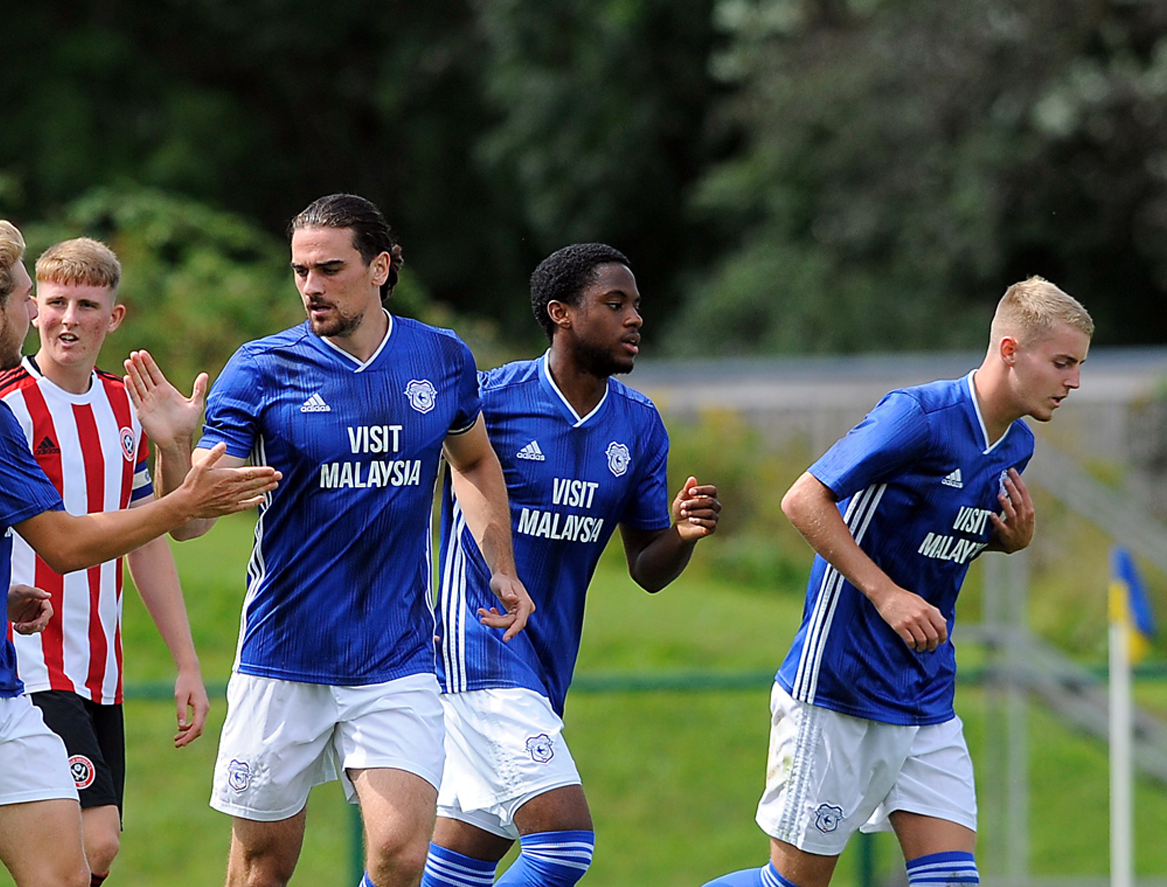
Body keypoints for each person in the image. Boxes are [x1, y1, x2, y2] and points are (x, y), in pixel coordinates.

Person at [0, 220, 279, 887]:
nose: (36, 312)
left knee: (69, 871)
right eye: (27, 298)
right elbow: (64, 545)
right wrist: (180, 503)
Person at [124, 193, 533, 887]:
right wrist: (173, 450)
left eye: (329, 268)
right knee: (262, 869)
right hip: (284, 656)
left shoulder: (439, 358)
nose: (311, 286)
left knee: (400, 856)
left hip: (397, 656)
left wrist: (502, 565)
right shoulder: (259, 369)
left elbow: (472, 460)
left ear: (380, 267)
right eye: (299, 271)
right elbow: (192, 521)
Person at [702, 276, 1092, 887]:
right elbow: (803, 500)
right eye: (1063, 363)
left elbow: (934, 536)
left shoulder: (1015, 446)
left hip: (926, 694)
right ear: (1011, 350)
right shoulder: (918, 416)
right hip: (841, 685)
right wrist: (885, 594)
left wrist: (1005, 540)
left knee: (952, 881)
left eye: (1080, 366)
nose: (1074, 381)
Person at [419, 243, 721, 887]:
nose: (635, 318)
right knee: (562, 848)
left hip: (546, 665)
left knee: (449, 872)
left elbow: (646, 566)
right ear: (561, 313)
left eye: (636, 305)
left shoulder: (639, 426)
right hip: (478, 646)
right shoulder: (490, 402)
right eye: (615, 304)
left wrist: (683, 535)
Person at [0, 236, 210, 884]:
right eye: (55, 301)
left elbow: (165, 532)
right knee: (95, 840)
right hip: (27, 662)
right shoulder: (4, 404)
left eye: (88, 304)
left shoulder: (126, 407)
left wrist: (187, 662)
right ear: (31, 309)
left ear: (113, 317)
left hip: (99, 667)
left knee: (83, 856)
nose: (69, 318)